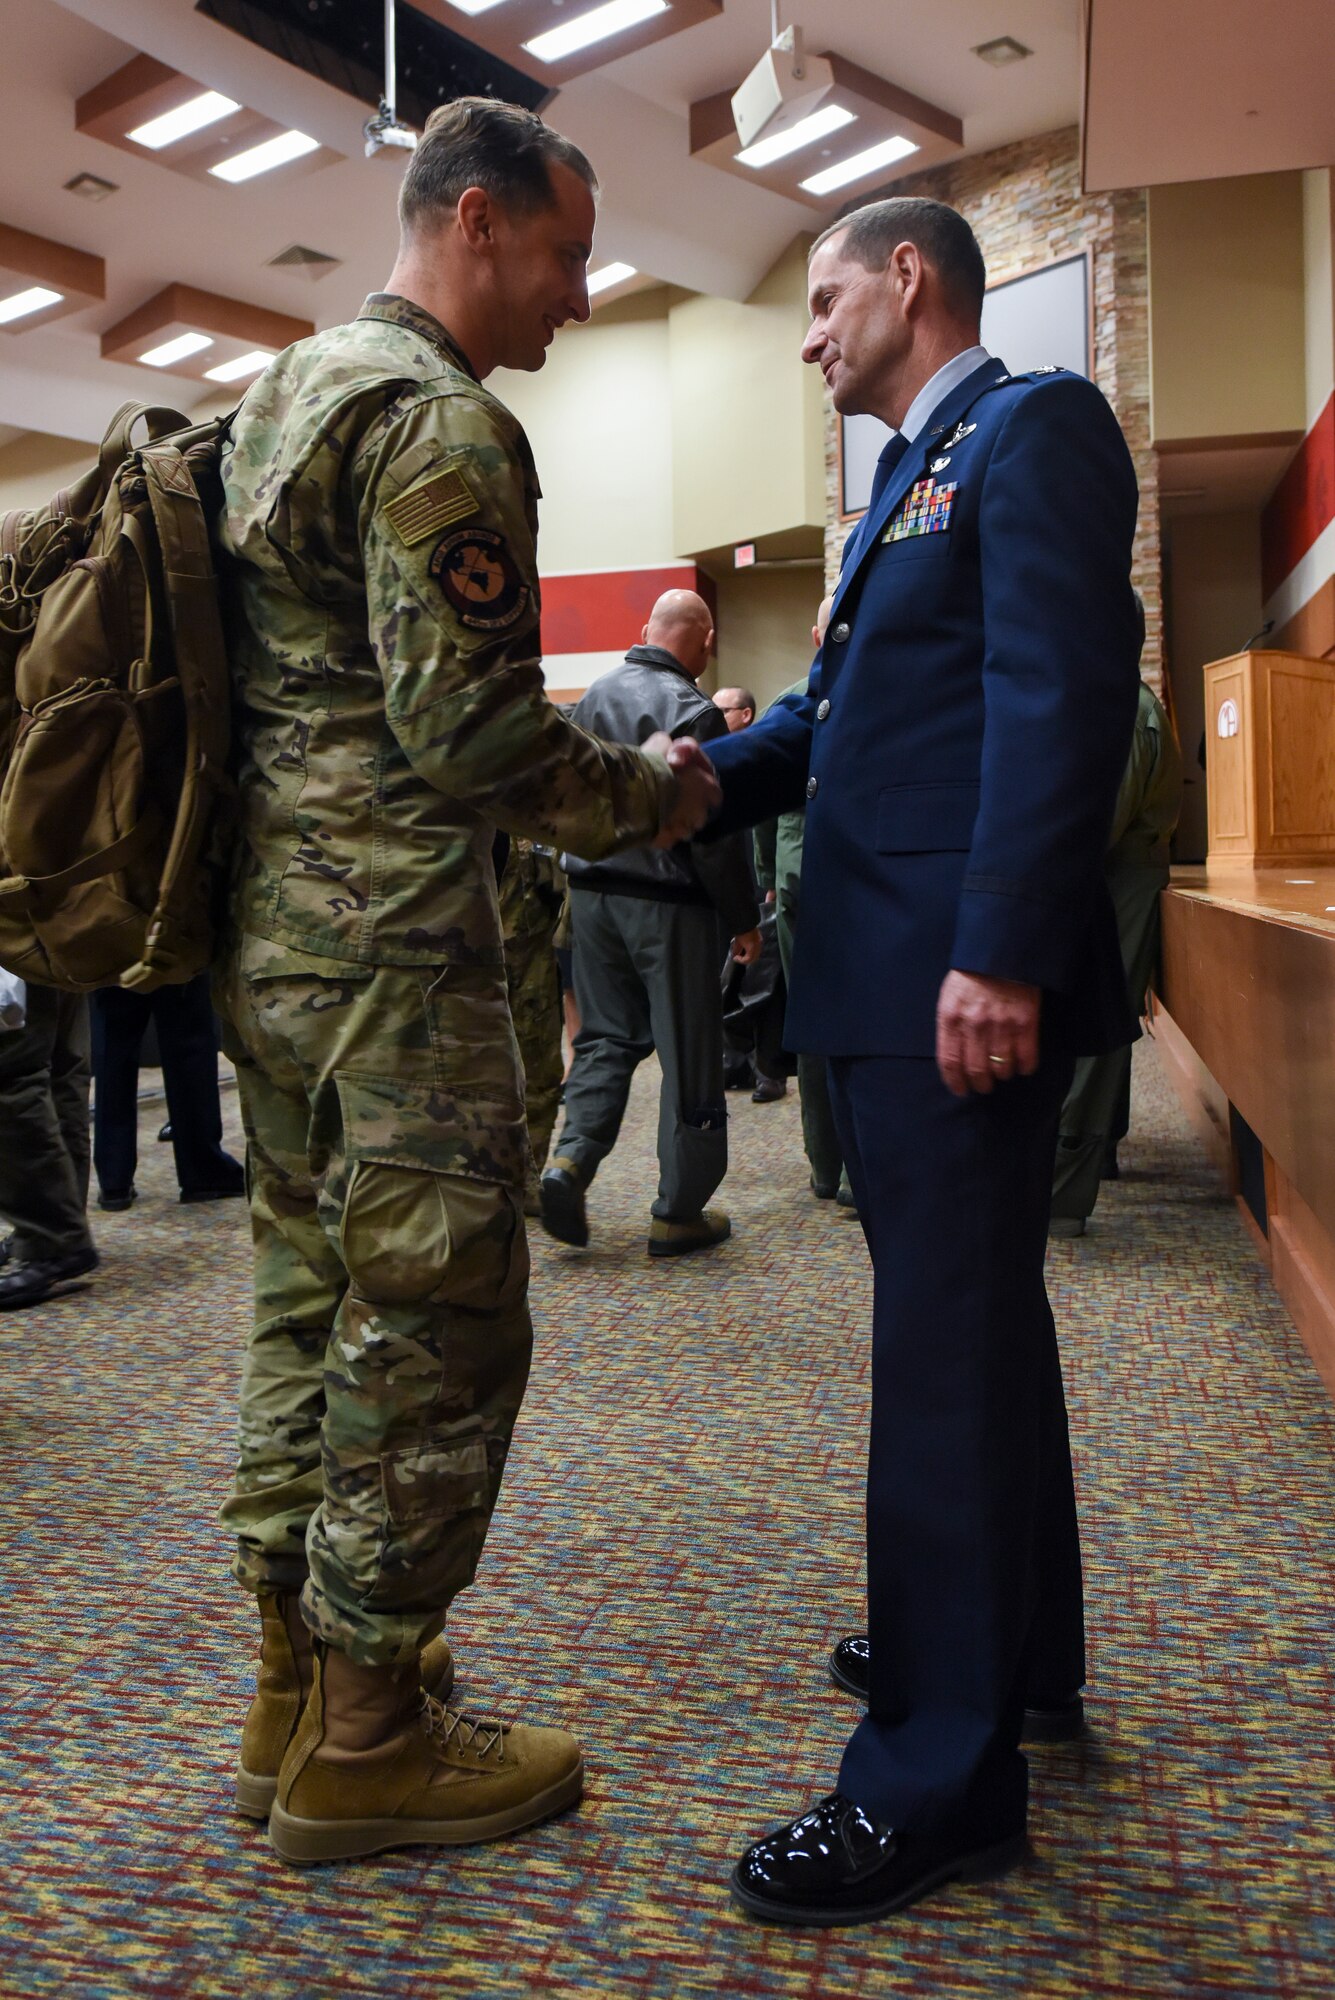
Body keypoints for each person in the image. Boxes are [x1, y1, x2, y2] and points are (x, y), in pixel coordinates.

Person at [213, 96, 718, 1867]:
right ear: (478, 220)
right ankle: (367, 1737)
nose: (579, 292)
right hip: (401, 963)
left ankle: (287, 1682)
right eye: (571, 251)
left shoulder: (277, 399)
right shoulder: (440, 427)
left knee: (307, 1299)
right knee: (435, 1323)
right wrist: (654, 794)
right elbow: (475, 739)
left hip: (271, 956)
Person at [692, 195, 1141, 1925]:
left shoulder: (1034, 425)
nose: (809, 334)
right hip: (888, 980)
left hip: (956, 981)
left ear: (906, 280)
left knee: (939, 1361)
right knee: (977, 1327)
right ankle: (1010, 1646)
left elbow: (1063, 690)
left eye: (819, 299)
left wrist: (1003, 948)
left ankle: (937, 1777)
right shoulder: (896, 488)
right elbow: (852, 728)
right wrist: (693, 783)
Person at [542, 590, 761, 1257]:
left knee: (604, 1038)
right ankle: (678, 1211)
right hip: (668, 906)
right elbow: (714, 834)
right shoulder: (693, 708)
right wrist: (742, 918)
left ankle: (569, 1162)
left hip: (590, 894)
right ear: (702, 638)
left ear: (646, 631)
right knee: (688, 1050)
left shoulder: (591, 698)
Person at [1050, 674, 1182, 1234]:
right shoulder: (1122, 699)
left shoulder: (1127, 711)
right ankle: (1097, 1155)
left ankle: (1061, 1196)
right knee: (1103, 1024)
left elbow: (1103, 821)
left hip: (1117, 882)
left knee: (1091, 1039)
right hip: (1112, 880)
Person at [753, 598, 852, 1204]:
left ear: (817, 634)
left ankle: (826, 1164)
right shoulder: (885, 697)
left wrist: (767, 874)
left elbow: (761, 806)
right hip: (863, 885)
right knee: (867, 1023)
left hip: (796, 880)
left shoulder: (787, 703)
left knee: (812, 1017)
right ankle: (856, 1174)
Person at [90, 973, 245, 1210]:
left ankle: (114, 1180)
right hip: (173, 945)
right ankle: (202, 1172)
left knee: (113, 1047)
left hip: (110, 946)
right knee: (188, 1043)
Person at [0, 983, 98, 1309]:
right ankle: (62, 1226)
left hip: (14, 943)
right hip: (57, 938)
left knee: (12, 1072)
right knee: (61, 1069)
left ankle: (52, 1238)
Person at [498, 838, 567, 1214]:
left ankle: (526, 1177)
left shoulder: (525, 790)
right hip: (458, 951)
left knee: (539, 1066)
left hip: (529, 945)